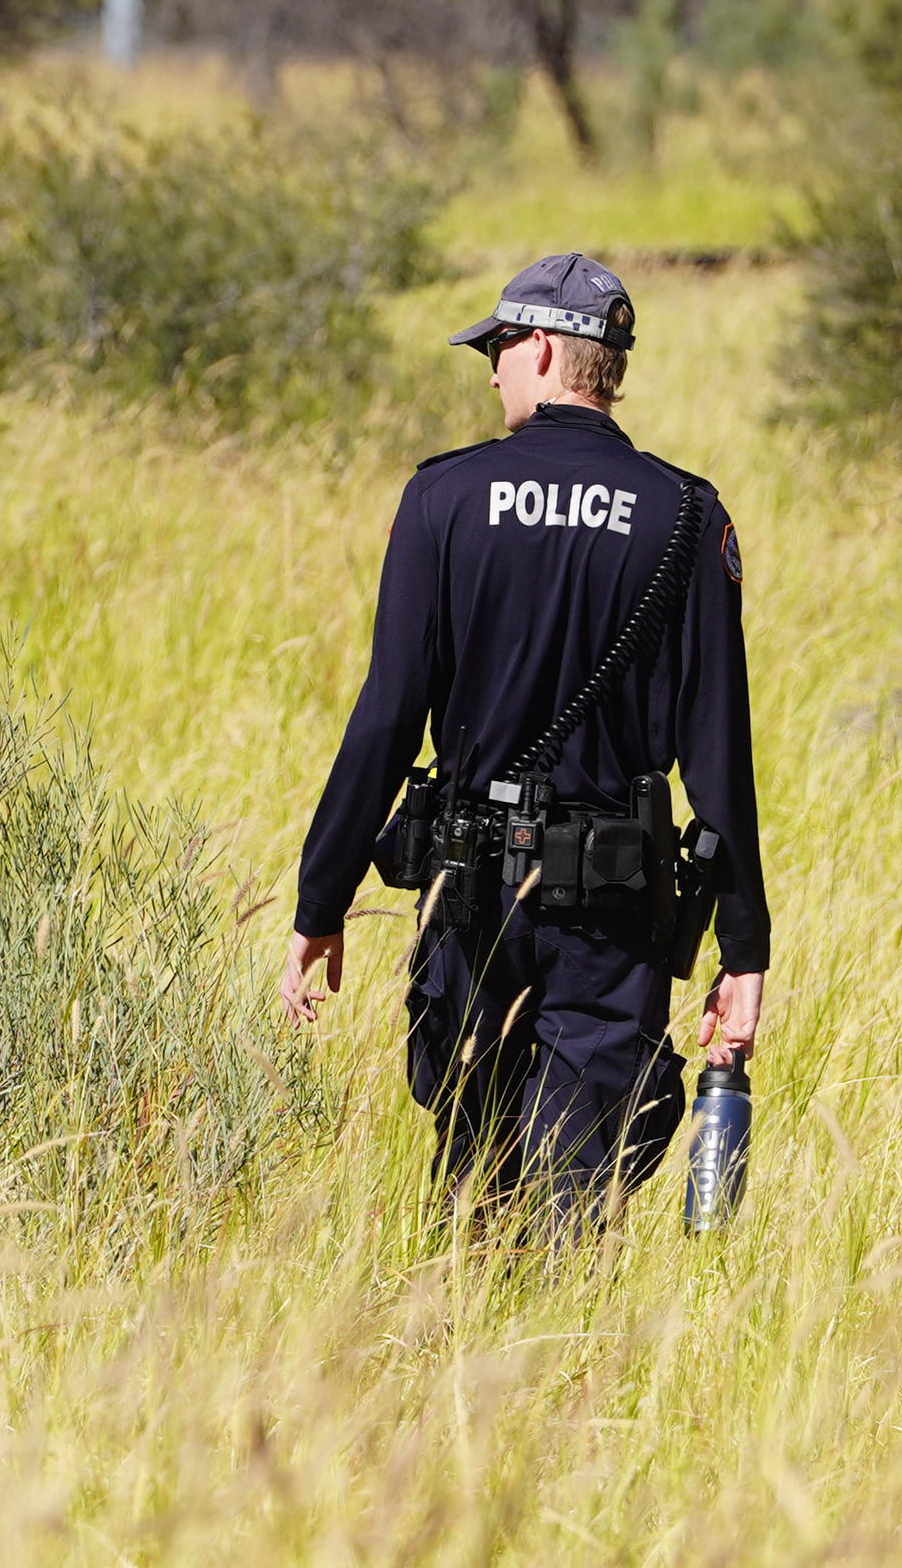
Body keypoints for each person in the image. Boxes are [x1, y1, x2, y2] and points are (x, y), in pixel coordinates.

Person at [285, 251, 767, 1232]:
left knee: (470, 1181)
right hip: (616, 913)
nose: (492, 371)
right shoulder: (686, 515)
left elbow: (387, 715)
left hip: (467, 899)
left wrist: (317, 901)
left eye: (496, 352)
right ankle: (559, 1366)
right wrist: (744, 949)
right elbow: (717, 747)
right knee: (574, 1201)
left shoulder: (443, 497)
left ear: (542, 350)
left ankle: (459, 1367)